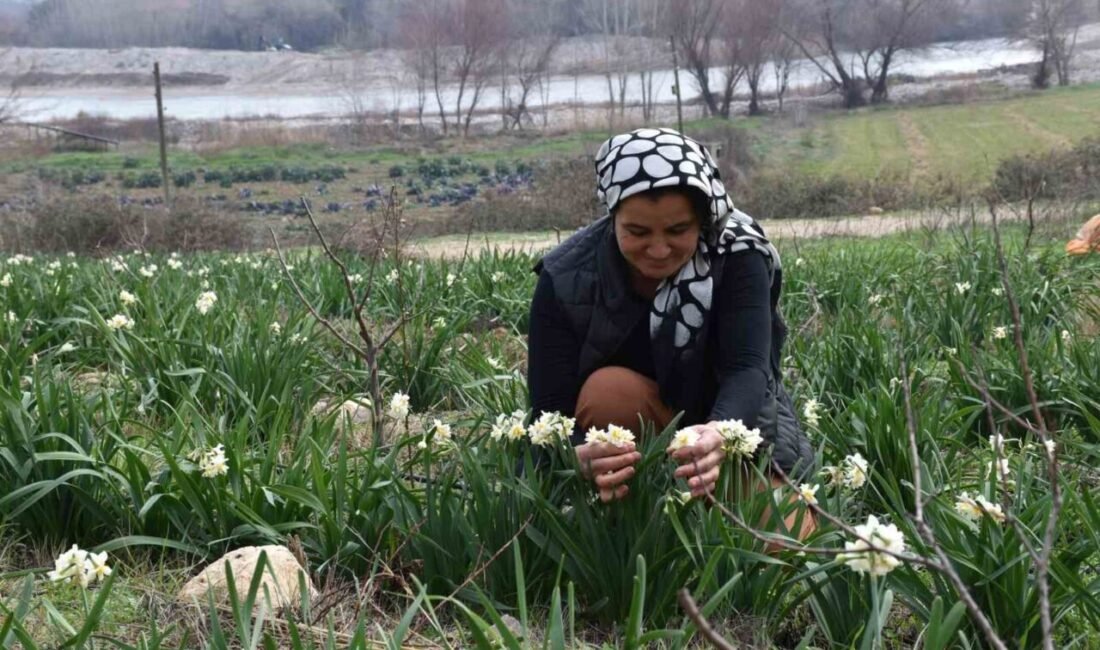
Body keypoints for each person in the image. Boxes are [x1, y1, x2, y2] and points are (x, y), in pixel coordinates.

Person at [526, 127, 814, 537]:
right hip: (633, 434)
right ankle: (635, 520)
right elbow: (547, 411)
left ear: (702, 218)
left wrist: (719, 435)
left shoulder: (738, 254)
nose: (659, 249)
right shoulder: (566, 276)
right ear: (612, 217)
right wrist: (575, 457)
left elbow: (747, 369)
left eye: (678, 230)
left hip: (725, 426)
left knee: (789, 541)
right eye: (637, 232)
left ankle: (698, 505)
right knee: (609, 390)